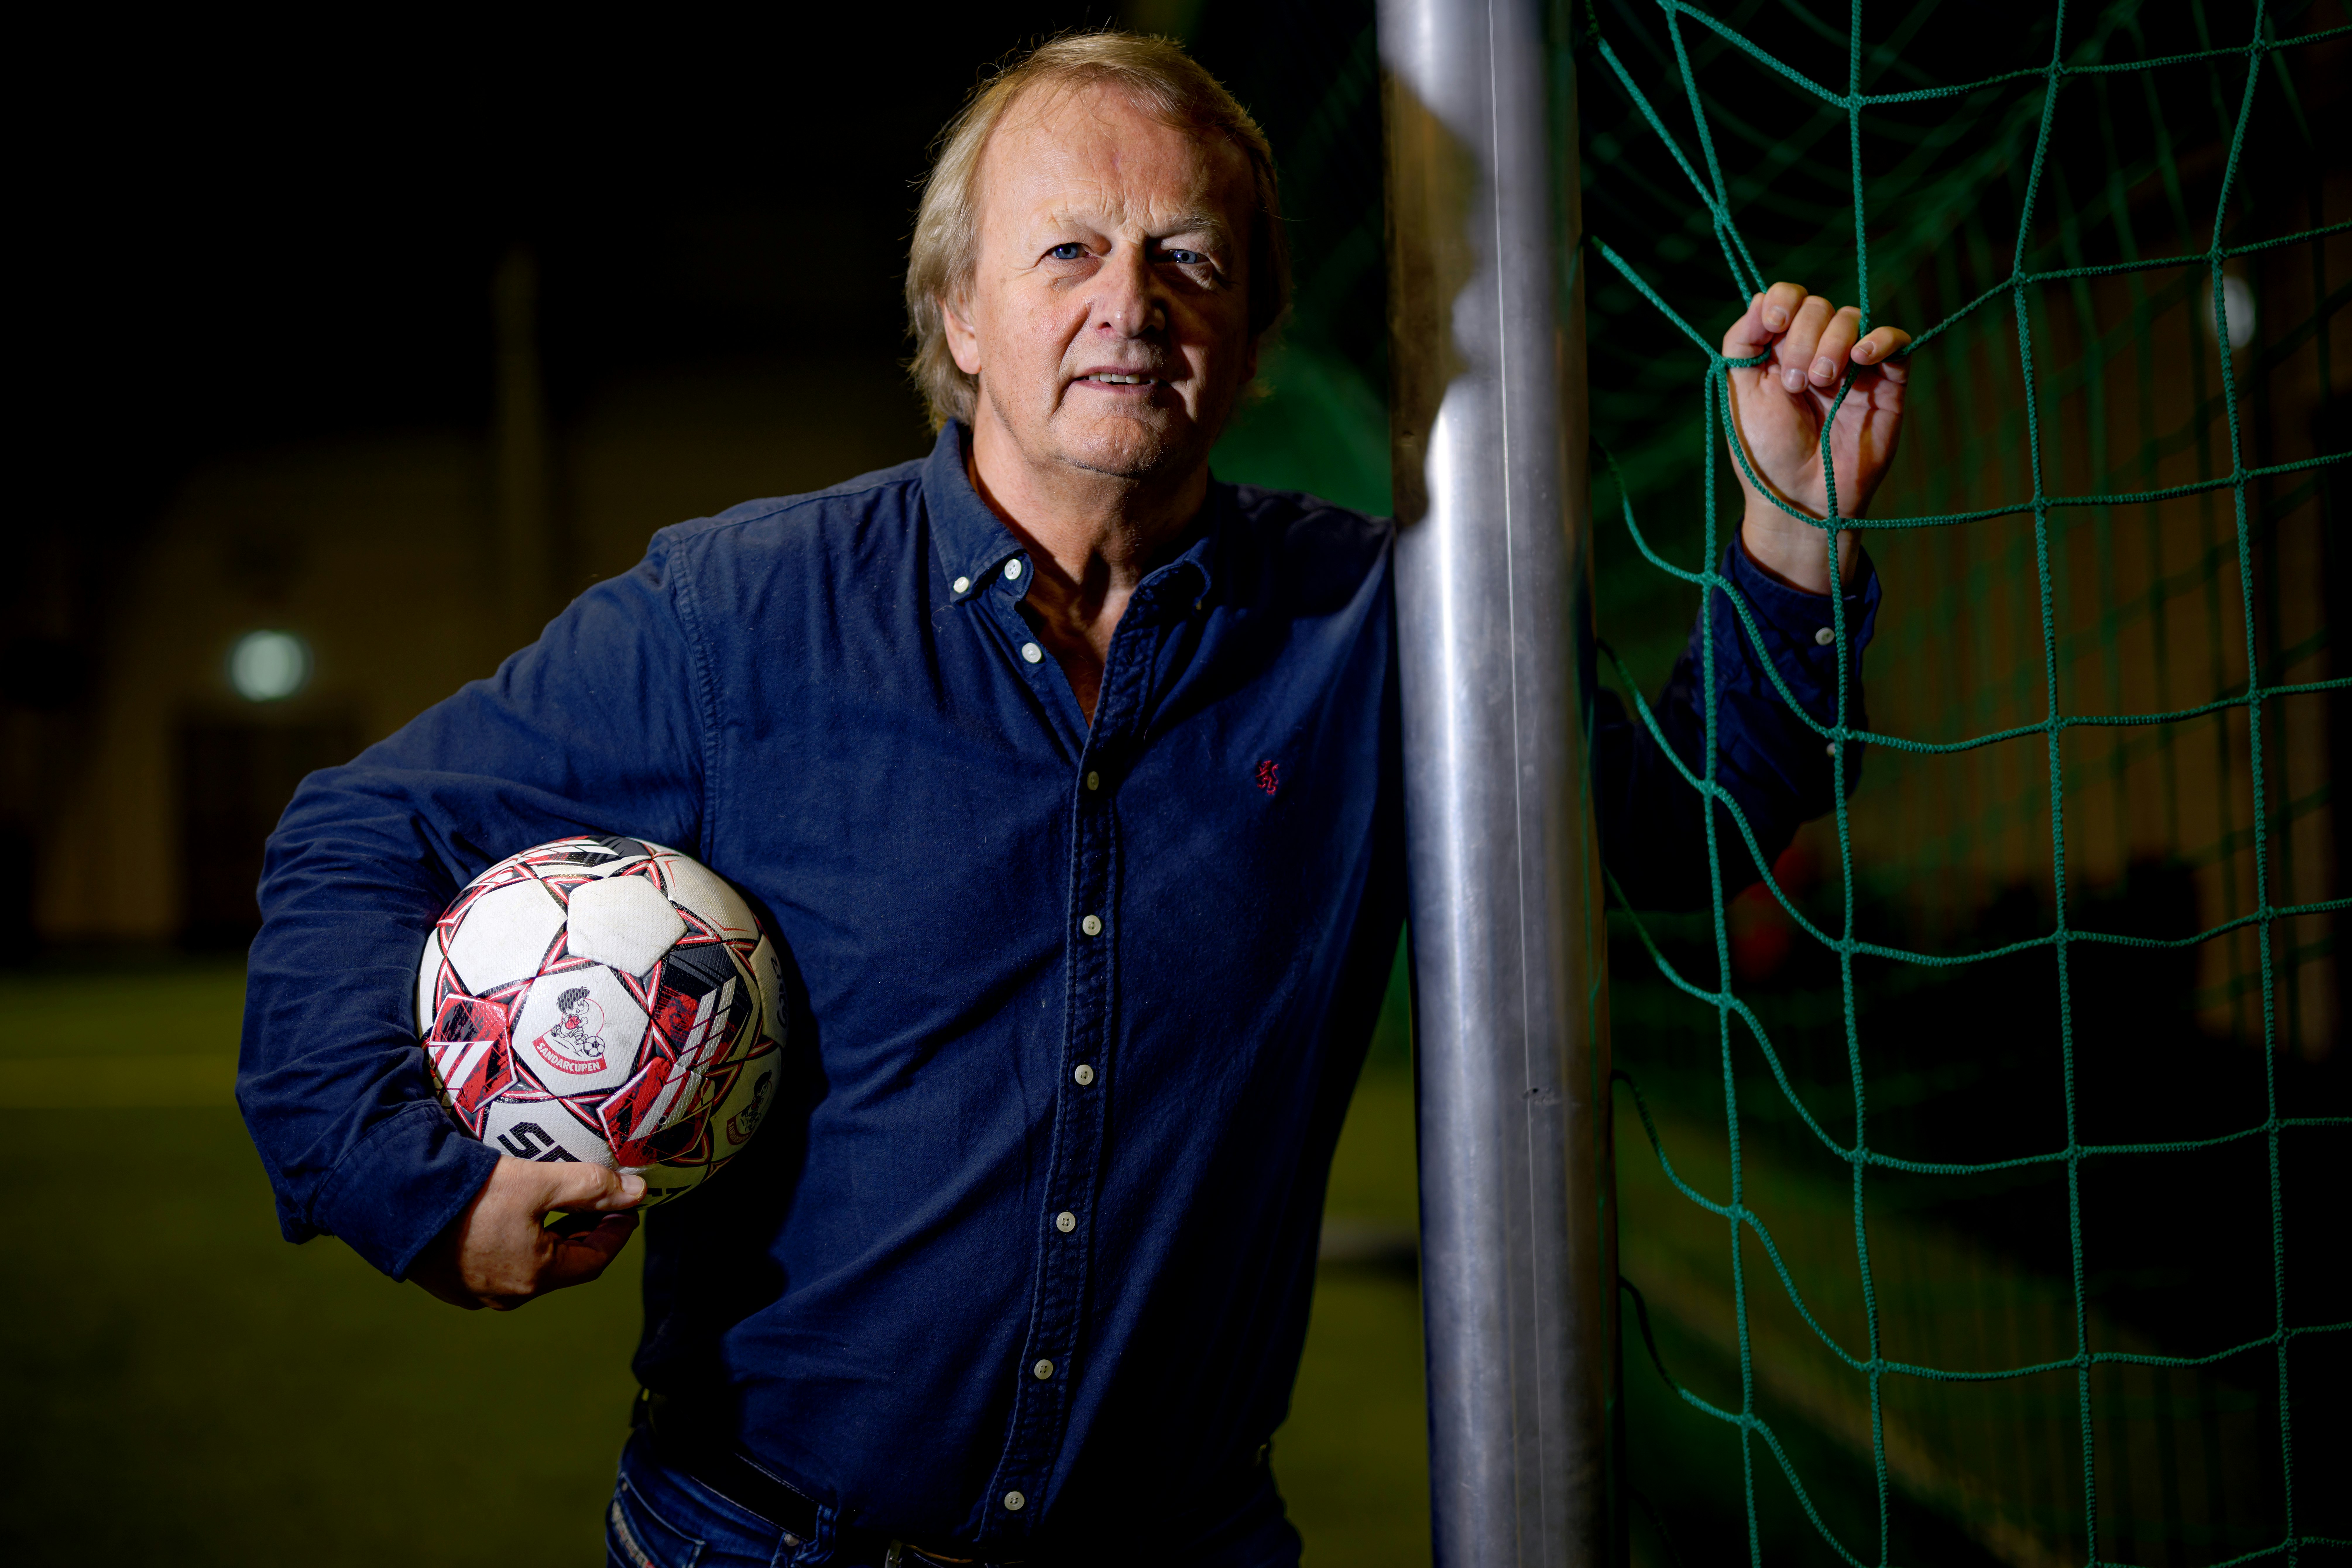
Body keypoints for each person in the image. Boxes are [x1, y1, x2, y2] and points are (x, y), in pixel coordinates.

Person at [237, 31, 1909, 1568]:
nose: (1131, 301)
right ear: (960, 317)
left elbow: (1673, 834)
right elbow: (358, 837)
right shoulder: (738, 617)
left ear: (1250, 333)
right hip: (754, 1539)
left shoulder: (1386, 631)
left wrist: (1791, 541)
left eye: (1187, 258)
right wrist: (428, 1191)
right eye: (1068, 250)